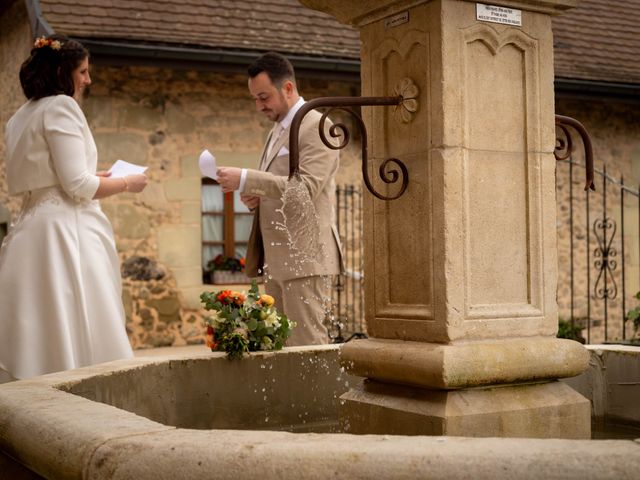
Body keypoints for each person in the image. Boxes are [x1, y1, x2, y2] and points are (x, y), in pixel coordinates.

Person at [0, 35, 148, 383]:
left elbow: (50, 177)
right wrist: (128, 183)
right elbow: (78, 187)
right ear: (61, 71)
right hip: (65, 232)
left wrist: (97, 176)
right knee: (83, 321)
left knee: (42, 327)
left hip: (31, 230)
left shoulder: (18, 118)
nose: (88, 80)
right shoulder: (61, 107)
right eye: (82, 71)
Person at [217, 52, 342, 346]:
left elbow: (306, 187)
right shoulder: (276, 130)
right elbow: (281, 188)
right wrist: (256, 197)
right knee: (282, 349)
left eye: (264, 97)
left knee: (308, 348)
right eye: (255, 99)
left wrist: (248, 178)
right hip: (276, 259)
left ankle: (317, 396)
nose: (259, 106)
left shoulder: (319, 125)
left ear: (287, 88)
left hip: (305, 259)